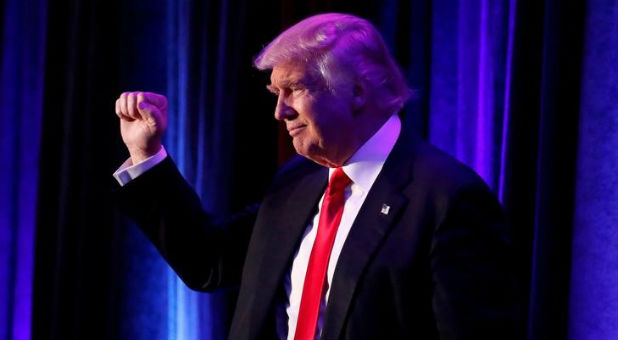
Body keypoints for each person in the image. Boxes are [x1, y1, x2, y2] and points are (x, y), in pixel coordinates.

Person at [113, 13, 522, 340]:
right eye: (277, 94)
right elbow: (210, 262)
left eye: (294, 89)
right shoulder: (297, 182)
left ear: (358, 92)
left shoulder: (447, 198)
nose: (280, 112)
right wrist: (145, 155)